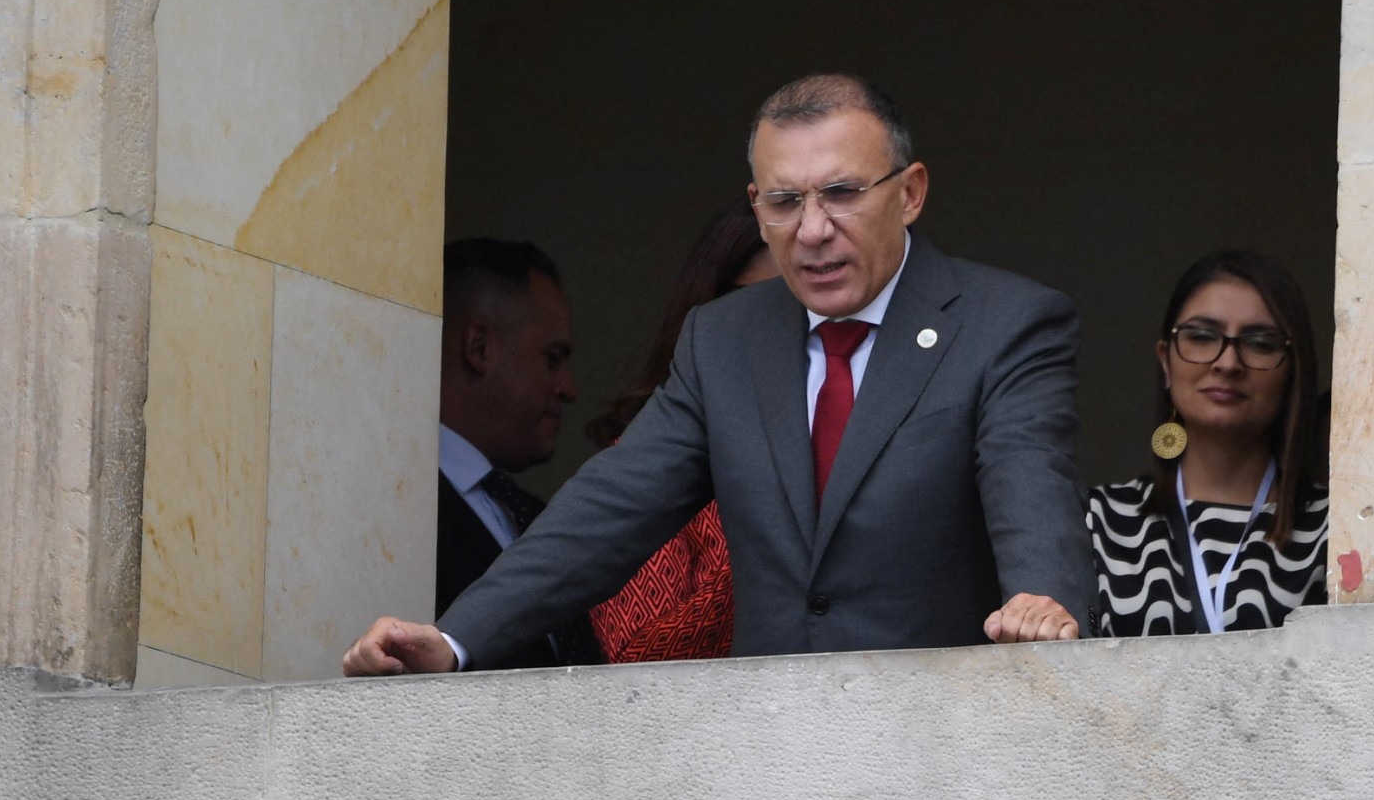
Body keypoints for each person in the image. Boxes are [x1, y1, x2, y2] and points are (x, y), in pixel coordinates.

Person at [344, 73, 1093, 676]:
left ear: (910, 192)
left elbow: (1028, 481)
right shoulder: (725, 339)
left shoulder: (1004, 323)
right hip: (761, 758)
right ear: (755, 207)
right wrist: (454, 641)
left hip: (937, 746)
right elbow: (609, 510)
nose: (812, 229)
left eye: (841, 193)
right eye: (784, 200)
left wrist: (1042, 601)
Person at [1087, 249, 1328, 636]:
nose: (1228, 362)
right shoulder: (1096, 521)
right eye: (1201, 336)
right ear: (1166, 361)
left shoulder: (1335, 530)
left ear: (1292, 370)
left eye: (1260, 343)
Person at [582, 202, 778, 662]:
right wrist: (777, 541)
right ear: (709, 314)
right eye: (763, 305)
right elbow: (636, 657)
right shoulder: (656, 458)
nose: (789, 331)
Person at [435, 238, 603, 667]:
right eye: (553, 358)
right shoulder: (400, 511)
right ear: (479, 348)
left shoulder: (535, 517)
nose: (568, 388)